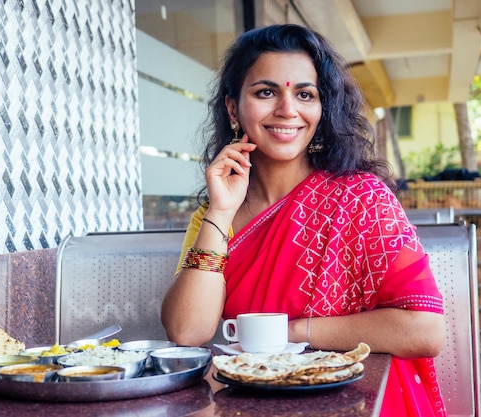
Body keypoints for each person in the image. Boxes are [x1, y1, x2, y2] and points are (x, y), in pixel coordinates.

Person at [160, 24, 447, 417]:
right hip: (251, 406)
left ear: (321, 107)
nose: (287, 110)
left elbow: (425, 331)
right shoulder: (214, 216)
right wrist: (221, 210)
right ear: (232, 108)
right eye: (266, 92)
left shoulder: (361, 199)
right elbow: (187, 331)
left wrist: (292, 333)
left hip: (356, 401)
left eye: (305, 94)